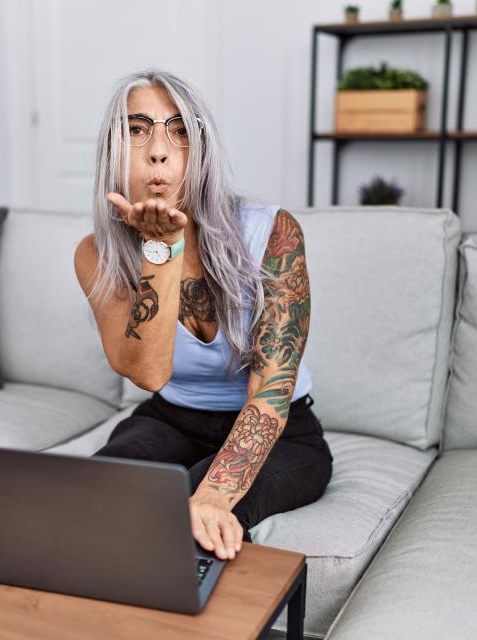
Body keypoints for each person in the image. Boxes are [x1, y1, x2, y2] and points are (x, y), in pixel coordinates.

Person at [73, 69, 332, 562]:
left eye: (180, 130)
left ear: (201, 150)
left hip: (279, 431)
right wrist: (160, 250)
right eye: (137, 129)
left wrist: (212, 495)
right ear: (113, 149)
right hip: (171, 418)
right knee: (93, 498)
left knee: (188, 521)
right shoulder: (96, 255)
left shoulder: (273, 233)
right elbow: (149, 374)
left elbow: (271, 394)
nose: (159, 151)